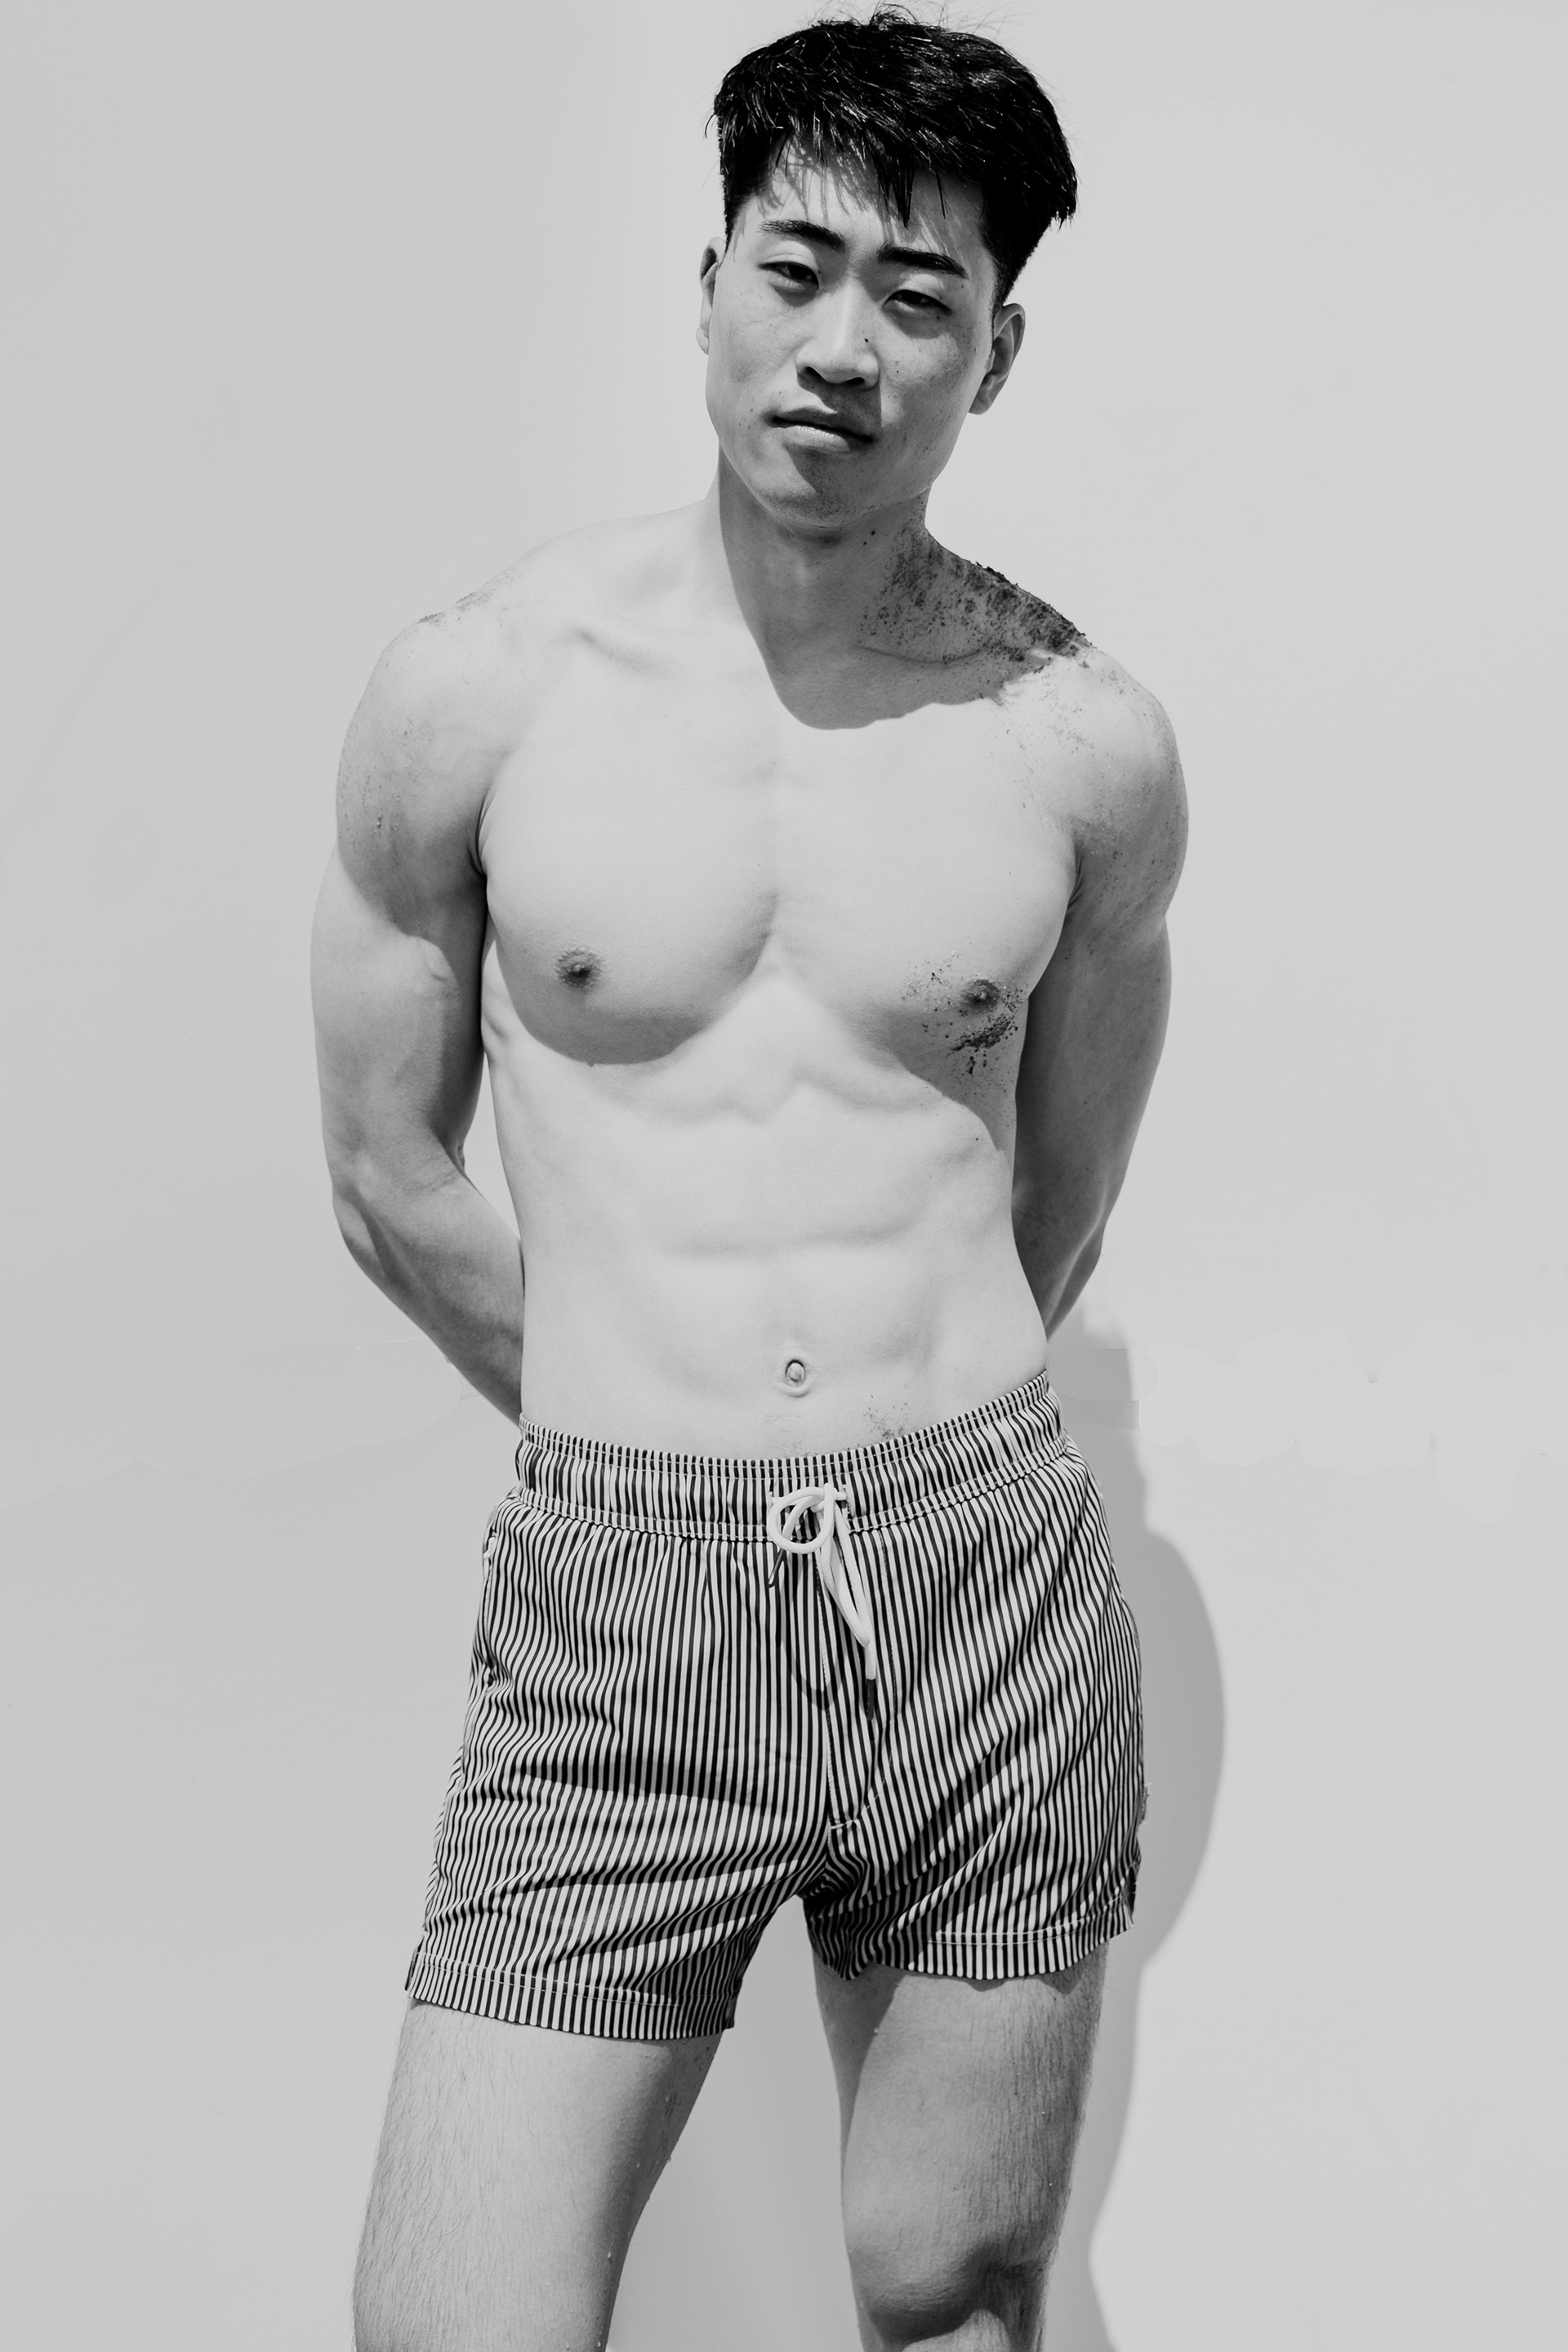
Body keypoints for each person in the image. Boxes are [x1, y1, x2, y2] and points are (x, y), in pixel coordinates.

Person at [311, 11, 1186, 2347]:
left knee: (949, 2281)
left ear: (997, 352)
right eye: (795, 270)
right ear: (707, 285)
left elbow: (1065, 1193)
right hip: (621, 1597)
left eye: (920, 296)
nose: (842, 347)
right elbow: (385, 1175)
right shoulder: (478, 694)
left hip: (976, 1583)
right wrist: (643, 1419)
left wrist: (895, 1444)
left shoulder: (1078, 744)